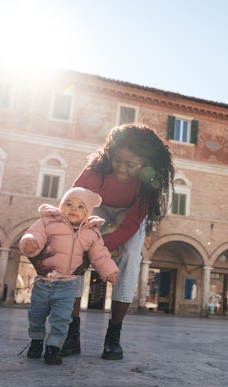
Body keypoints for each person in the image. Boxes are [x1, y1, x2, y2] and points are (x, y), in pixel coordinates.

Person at [59, 122, 175, 360]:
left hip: (128, 213)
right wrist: (79, 248)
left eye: (130, 164)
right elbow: (74, 204)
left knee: (132, 254)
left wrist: (97, 252)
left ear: (144, 165)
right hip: (96, 205)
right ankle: (72, 333)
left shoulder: (148, 185)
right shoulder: (97, 167)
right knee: (74, 249)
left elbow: (130, 226)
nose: (121, 168)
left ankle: (113, 336)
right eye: (118, 160)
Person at [19, 187, 119, 365]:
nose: (74, 208)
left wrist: (109, 271)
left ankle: (53, 347)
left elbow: (100, 255)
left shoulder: (92, 232)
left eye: (81, 207)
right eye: (69, 204)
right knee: (36, 315)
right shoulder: (49, 221)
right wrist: (31, 243)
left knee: (62, 319)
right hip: (43, 282)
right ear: (61, 205)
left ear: (88, 212)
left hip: (67, 285)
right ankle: (36, 341)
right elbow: (35, 233)